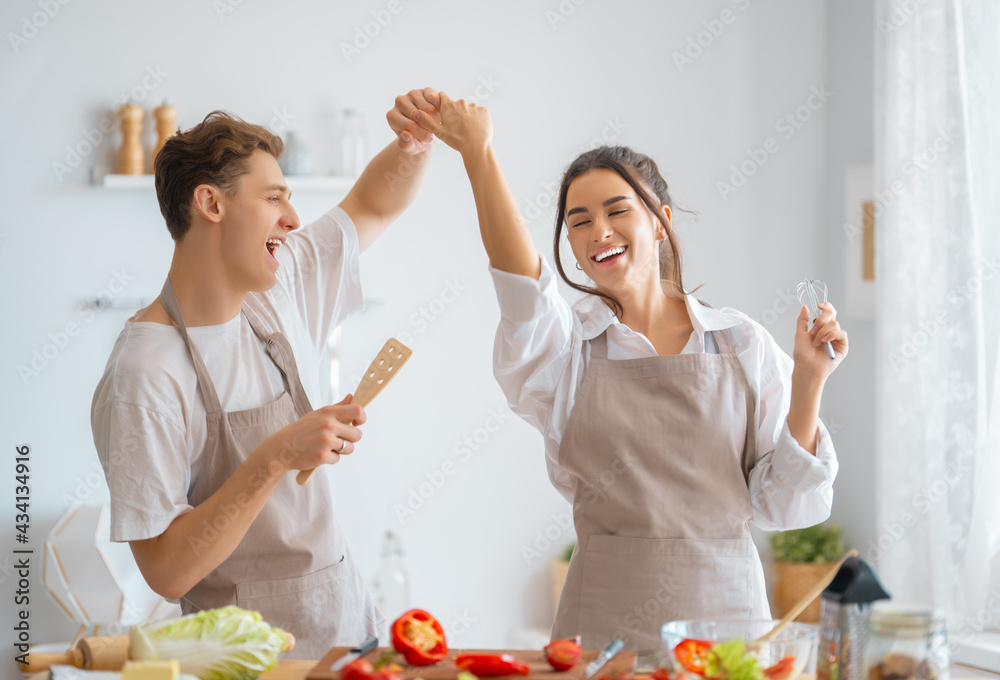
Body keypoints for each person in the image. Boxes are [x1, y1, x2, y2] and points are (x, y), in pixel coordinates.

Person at [409, 92, 848, 651]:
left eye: (618, 211)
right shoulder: (565, 351)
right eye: (579, 221)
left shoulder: (740, 343)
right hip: (600, 632)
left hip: (726, 632)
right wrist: (479, 153)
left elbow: (784, 503)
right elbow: (520, 282)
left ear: (661, 222)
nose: (599, 232)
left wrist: (810, 380)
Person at [91, 89, 442, 659]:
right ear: (211, 203)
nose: (294, 218)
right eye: (275, 197)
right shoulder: (143, 374)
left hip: (352, 637)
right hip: (249, 661)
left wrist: (416, 141)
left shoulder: (281, 286)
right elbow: (167, 571)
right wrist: (275, 457)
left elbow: (373, 205)